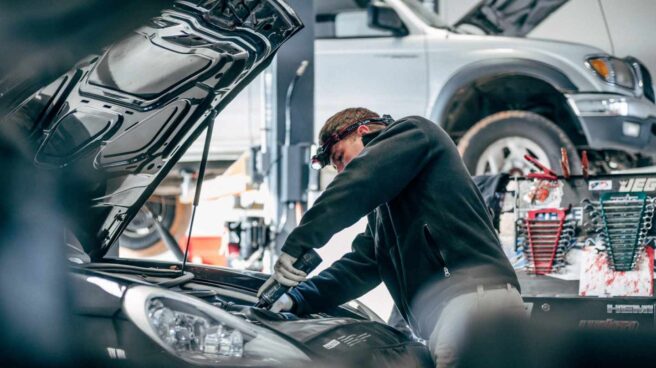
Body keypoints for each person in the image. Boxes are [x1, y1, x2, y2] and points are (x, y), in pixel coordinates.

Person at [257, 107, 525, 367]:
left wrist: (297, 244)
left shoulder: (416, 132)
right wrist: (297, 299)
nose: (342, 171)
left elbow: (358, 182)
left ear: (361, 131)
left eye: (340, 158)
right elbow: (362, 265)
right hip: (456, 313)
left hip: (474, 304)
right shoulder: (387, 211)